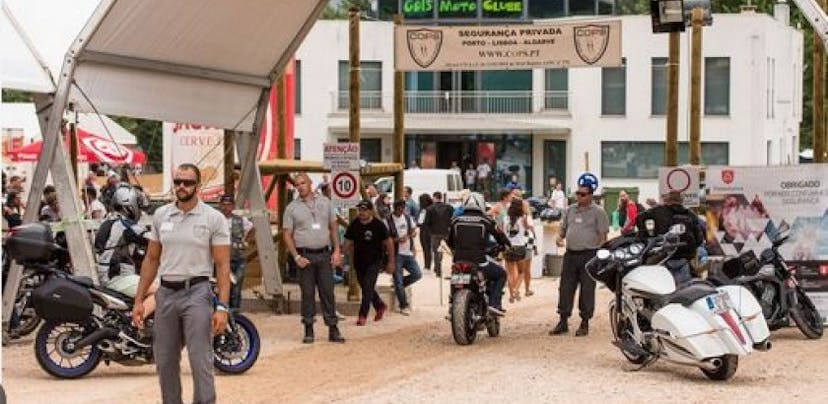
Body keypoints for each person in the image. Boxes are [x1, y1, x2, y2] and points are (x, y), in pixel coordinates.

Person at [132, 163, 231, 404]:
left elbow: (223, 265)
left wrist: (222, 307)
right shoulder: (162, 215)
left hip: (197, 293)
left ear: (198, 186)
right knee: (164, 361)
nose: (181, 187)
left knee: (200, 361)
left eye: (187, 182)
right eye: (177, 182)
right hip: (165, 293)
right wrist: (139, 300)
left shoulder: (213, 218)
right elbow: (151, 259)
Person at [282, 173, 346, 344]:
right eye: (297, 184)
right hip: (305, 256)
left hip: (324, 254)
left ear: (310, 183)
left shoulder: (325, 203)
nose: (300, 186)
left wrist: (337, 251)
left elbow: (333, 227)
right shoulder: (292, 208)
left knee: (328, 292)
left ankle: (333, 328)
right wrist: (295, 256)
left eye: (303, 183)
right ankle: (308, 328)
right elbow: (287, 235)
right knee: (307, 294)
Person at [550, 181, 609, 337]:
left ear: (590, 195)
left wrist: (601, 256)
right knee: (565, 288)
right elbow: (563, 229)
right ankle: (563, 320)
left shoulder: (598, 212)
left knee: (587, 289)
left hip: (589, 255)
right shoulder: (570, 210)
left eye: (583, 194)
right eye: (578, 193)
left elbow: (603, 236)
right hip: (570, 254)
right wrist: (559, 237)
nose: (579, 197)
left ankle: (584, 322)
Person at [95, 186, 157, 320]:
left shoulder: (110, 221)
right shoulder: (124, 225)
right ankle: (135, 323)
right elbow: (151, 239)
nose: (140, 211)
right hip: (117, 277)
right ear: (129, 206)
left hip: (111, 275)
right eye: (138, 206)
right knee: (163, 290)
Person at [447, 192, 511, 315]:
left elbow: (449, 241)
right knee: (501, 274)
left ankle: (452, 304)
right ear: (481, 204)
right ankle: (494, 304)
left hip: (459, 261)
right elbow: (500, 236)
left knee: (455, 277)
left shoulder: (455, 220)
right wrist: (506, 246)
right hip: (479, 261)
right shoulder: (486, 220)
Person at [635, 191, 704, 284]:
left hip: (662, 256)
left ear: (667, 200)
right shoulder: (690, 214)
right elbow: (699, 239)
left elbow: (639, 217)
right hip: (684, 258)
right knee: (686, 288)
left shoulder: (658, 210)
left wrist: (646, 237)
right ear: (681, 201)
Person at [343, 200, 394, 325]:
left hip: (375, 261)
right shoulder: (354, 224)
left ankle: (362, 315)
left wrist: (391, 261)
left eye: (364, 210)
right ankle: (380, 305)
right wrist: (340, 254)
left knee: (367, 287)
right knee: (366, 287)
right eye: (360, 209)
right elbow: (348, 242)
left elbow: (389, 243)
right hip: (359, 262)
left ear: (371, 211)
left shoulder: (378, 225)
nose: (362, 212)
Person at [218, 193, 254, 312]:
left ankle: (235, 315)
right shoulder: (216, 220)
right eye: (224, 204)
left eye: (229, 205)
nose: (226, 207)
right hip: (220, 260)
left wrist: (246, 242)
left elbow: (252, 228)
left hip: (238, 259)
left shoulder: (241, 220)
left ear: (233, 206)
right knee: (221, 287)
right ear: (220, 205)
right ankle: (223, 312)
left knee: (236, 288)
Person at [387, 199, 422, 315]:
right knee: (398, 279)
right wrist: (397, 240)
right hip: (396, 254)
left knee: (417, 274)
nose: (401, 210)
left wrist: (412, 235)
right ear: (394, 208)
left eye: (403, 208)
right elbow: (387, 239)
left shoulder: (407, 218)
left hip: (407, 252)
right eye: (399, 208)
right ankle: (403, 305)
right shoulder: (388, 220)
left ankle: (399, 285)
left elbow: (413, 230)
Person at [503, 198, 533, 303]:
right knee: (521, 272)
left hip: (508, 247)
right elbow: (529, 228)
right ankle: (516, 290)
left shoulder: (506, 218)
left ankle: (511, 296)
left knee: (510, 273)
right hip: (520, 247)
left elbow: (503, 231)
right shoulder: (523, 218)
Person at [424, 191, 454, 277]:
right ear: (441, 197)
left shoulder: (429, 209)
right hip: (446, 232)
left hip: (434, 233)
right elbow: (452, 219)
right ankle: (453, 268)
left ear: (434, 198)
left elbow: (427, 222)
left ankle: (438, 270)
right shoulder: (449, 207)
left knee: (436, 251)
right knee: (450, 250)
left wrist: (429, 231)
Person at [417, 193, 433, 271]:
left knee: (427, 247)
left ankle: (427, 265)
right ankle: (426, 263)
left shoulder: (428, 209)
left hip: (426, 229)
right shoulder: (423, 209)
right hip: (423, 229)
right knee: (425, 247)